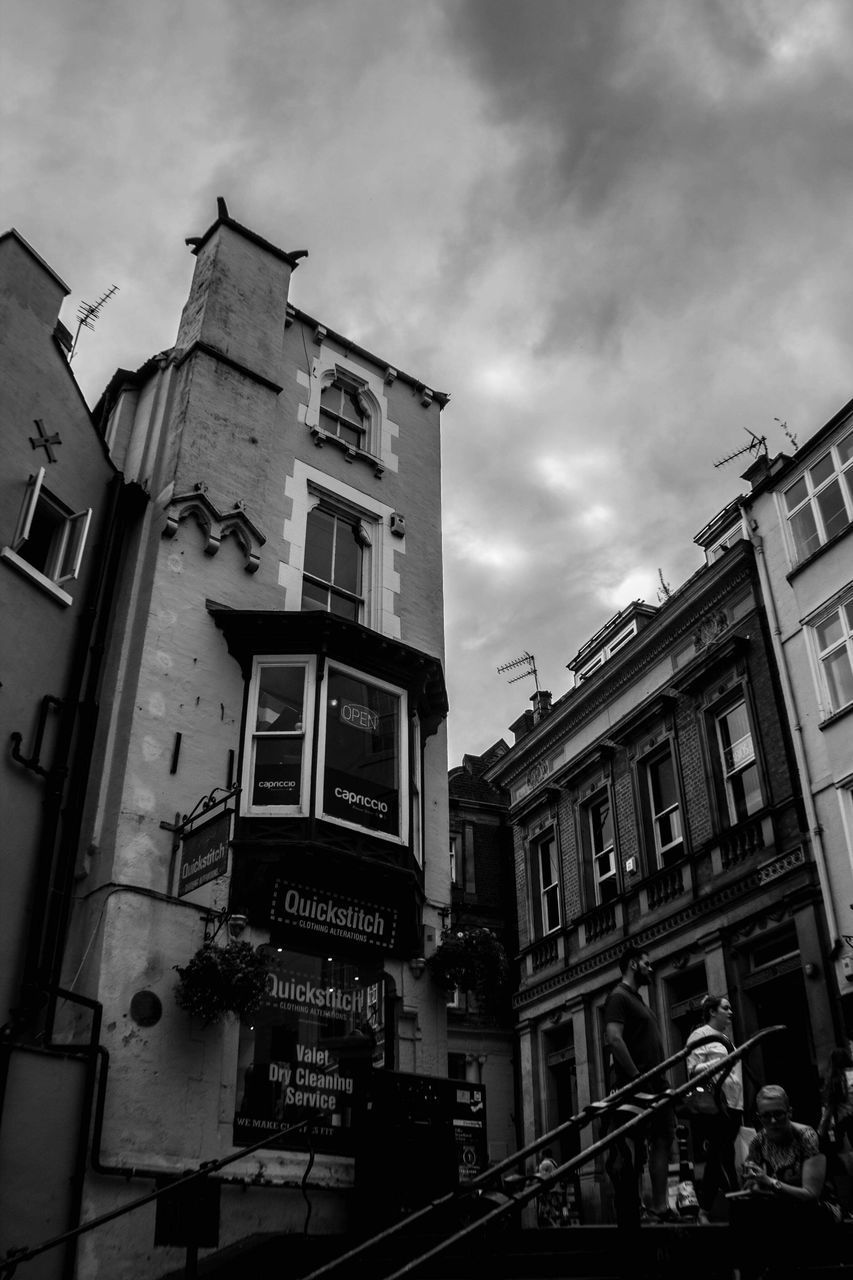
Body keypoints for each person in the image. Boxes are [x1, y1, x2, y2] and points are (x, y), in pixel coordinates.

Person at [730, 1084, 842, 1278]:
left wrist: (770, 1183)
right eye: (766, 1116)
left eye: (779, 1114)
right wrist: (751, 1182)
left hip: (820, 1207)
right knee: (742, 1211)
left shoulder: (806, 1137)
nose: (773, 1121)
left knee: (781, 1217)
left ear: (789, 1112)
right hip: (782, 1206)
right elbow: (751, 1179)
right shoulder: (758, 1142)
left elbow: (811, 1194)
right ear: (759, 1117)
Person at [603, 944, 677, 1225]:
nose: (651, 967)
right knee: (633, 1145)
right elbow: (614, 1038)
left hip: (656, 1082)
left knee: (663, 1137)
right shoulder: (618, 997)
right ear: (633, 964)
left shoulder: (637, 999)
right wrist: (636, 1076)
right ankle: (633, 1208)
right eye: (646, 963)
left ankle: (660, 1206)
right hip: (639, 1083)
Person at [685, 994, 743, 1223]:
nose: (731, 1012)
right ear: (712, 1011)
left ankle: (714, 1208)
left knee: (723, 1155)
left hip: (733, 1104)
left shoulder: (727, 1039)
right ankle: (716, 1208)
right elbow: (693, 1069)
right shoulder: (699, 1036)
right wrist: (721, 1062)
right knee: (722, 1154)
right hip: (714, 1105)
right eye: (726, 1008)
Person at [534, 1147, 564, 1227]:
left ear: (543, 1154)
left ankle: (551, 1225)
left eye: (540, 1153)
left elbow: (542, 1178)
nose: (538, 1155)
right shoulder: (553, 1162)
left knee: (547, 1212)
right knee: (556, 1211)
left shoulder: (544, 1164)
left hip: (548, 1192)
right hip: (556, 1190)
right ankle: (557, 1224)